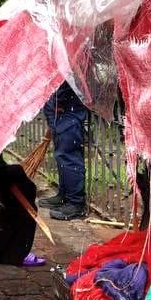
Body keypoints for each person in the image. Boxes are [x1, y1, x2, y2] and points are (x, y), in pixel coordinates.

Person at [37, 84, 89, 221]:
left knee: (69, 157)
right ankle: (64, 195)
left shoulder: (72, 65)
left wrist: (57, 101)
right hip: (62, 113)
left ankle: (76, 203)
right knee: (62, 156)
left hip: (68, 112)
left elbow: (68, 81)